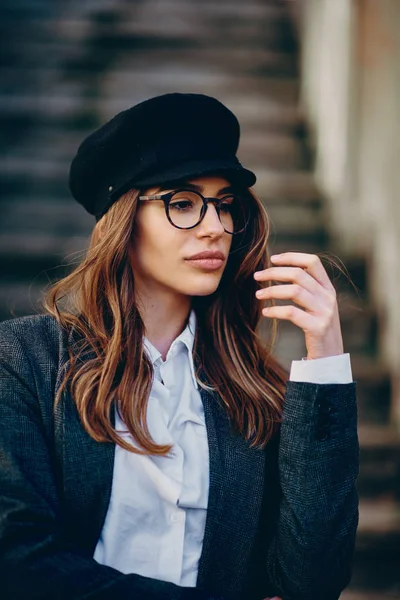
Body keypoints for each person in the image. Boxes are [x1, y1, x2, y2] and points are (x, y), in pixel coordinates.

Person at [0, 93, 359, 600]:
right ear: (123, 221)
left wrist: (325, 356)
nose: (215, 227)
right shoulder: (26, 361)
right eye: (183, 203)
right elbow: (18, 558)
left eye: (225, 204)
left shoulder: (257, 390)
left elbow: (312, 580)